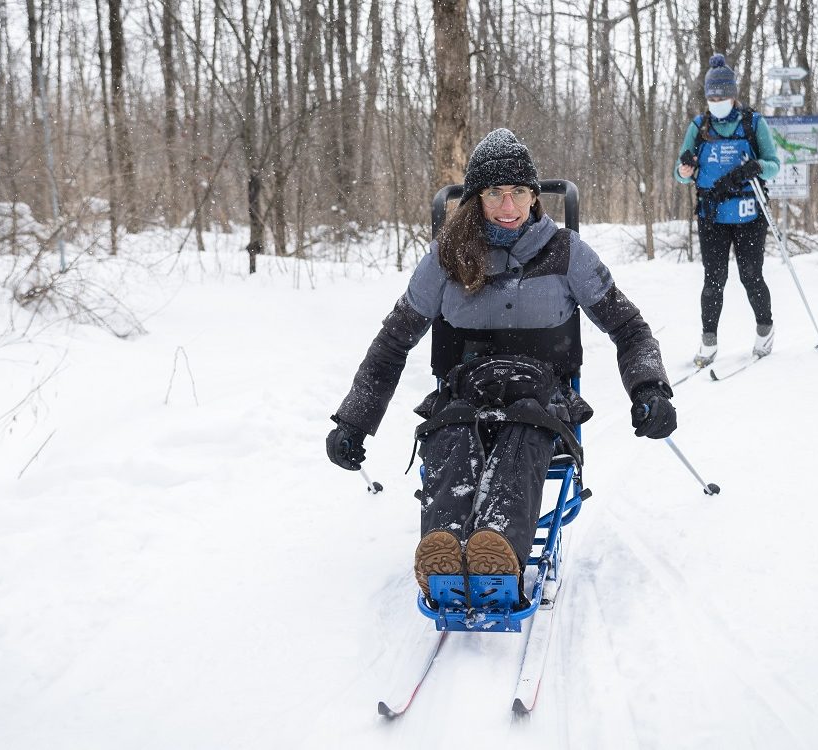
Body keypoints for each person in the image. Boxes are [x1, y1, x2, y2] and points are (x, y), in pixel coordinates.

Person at [325, 128, 675, 603]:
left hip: (541, 396)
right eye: (494, 193)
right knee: (450, 433)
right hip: (465, 393)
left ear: (534, 197)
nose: (508, 207)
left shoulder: (567, 253)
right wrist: (354, 420)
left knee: (524, 433)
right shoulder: (447, 258)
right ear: (475, 199)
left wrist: (649, 388)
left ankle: (498, 552)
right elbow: (392, 343)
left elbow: (628, 327)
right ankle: (442, 549)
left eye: (518, 193)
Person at [674, 53, 781, 367]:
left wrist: (756, 168)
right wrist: (684, 168)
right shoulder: (699, 126)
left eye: (721, 94)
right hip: (712, 216)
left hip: (749, 214)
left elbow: (774, 165)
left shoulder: (753, 123)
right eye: (711, 96)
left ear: (733, 95)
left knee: (751, 276)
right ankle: (708, 342)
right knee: (714, 280)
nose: (717, 100)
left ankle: (765, 329)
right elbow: (679, 174)